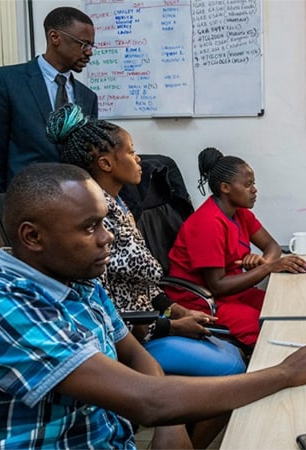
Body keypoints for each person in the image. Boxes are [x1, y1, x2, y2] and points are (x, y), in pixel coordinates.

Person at [0, 163, 306, 449]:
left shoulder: (77, 280)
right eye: (90, 227)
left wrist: (170, 424)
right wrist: (283, 373)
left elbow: (139, 359)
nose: (108, 238)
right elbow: (147, 399)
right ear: (32, 237)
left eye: (104, 222)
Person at [46, 103, 245, 377]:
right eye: (130, 151)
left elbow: (141, 285)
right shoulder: (93, 216)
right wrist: (171, 326)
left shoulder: (119, 205)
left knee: (234, 354)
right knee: (232, 367)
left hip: (150, 323)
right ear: (106, 163)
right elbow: (103, 308)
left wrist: (177, 310)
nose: (139, 159)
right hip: (129, 339)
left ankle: (177, 416)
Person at [0, 6, 98, 255]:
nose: (89, 52)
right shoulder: (6, 82)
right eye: (83, 44)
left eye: (91, 46)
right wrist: (1, 224)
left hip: (72, 220)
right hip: (22, 217)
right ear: (55, 37)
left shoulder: (88, 97)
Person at [165, 148, 306, 348]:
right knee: (269, 328)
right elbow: (217, 285)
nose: (254, 189)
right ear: (225, 188)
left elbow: (272, 246)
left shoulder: (239, 213)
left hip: (234, 292)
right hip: (205, 302)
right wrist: (267, 268)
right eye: (248, 184)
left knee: (286, 308)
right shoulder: (207, 223)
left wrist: (263, 262)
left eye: (254, 184)